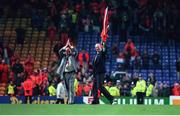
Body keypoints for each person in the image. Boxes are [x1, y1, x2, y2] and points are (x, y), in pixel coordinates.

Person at [56, 40, 78, 104]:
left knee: (71, 87)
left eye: (69, 51)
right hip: (64, 73)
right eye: (67, 51)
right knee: (66, 87)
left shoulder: (73, 56)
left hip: (72, 73)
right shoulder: (63, 57)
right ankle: (69, 99)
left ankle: (71, 101)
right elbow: (59, 52)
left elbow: (76, 52)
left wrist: (71, 47)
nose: (68, 51)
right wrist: (65, 47)